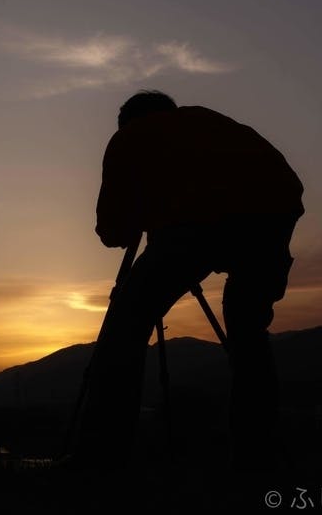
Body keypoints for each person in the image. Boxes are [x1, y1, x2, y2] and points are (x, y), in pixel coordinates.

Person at [75, 90, 304, 472]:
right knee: (248, 333)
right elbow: (279, 178)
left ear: (128, 121)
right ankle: (255, 458)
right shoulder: (208, 121)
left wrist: (147, 214)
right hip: (274, 214)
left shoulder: (130, 137)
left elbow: (113, 231)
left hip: (194, 225)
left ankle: (99, 460)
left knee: (125, 328)